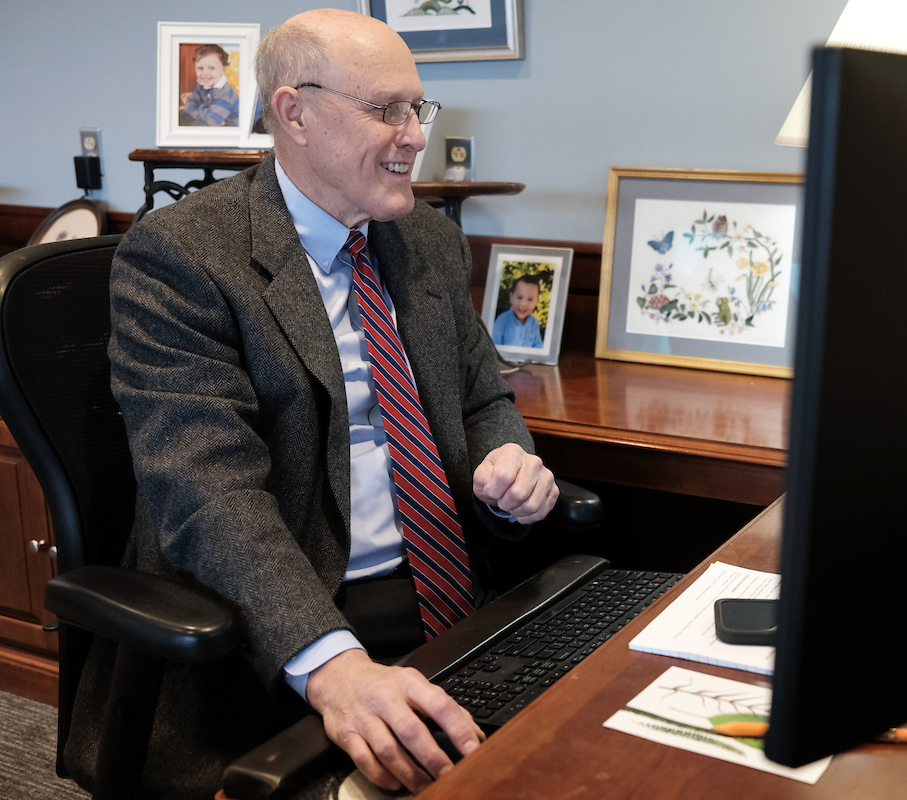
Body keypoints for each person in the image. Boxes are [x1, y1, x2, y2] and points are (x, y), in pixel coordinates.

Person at [64, 8, 559, 798]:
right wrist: (333, 667)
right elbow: (207, 492)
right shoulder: (183, 255)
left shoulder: (424, 239)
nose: (413, 135)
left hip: (455, 602)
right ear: (293, 112)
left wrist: (510, 456)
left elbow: (481, 397)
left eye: (417, 109)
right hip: (287, 622)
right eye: (385, 110)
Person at [182, 44, 240, 127]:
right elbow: (189, 105)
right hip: (211, 118)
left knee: (198, 126)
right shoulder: (202, 84)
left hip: (229, 126)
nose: (205, 73)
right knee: (182, 118)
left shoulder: (223, 93)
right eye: (200, 68)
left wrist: (199, 108)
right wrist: (205, 111)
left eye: (211, 68)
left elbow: (213, 121)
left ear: (224, 69)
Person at [492, 274, 545, 348]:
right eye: (520, 297)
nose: (523, 304)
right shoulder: (502, 321)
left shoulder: (534, 323)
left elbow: (538, 345)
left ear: (537, 301)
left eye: (530, 299)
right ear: (511, 297)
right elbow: (493, 345)